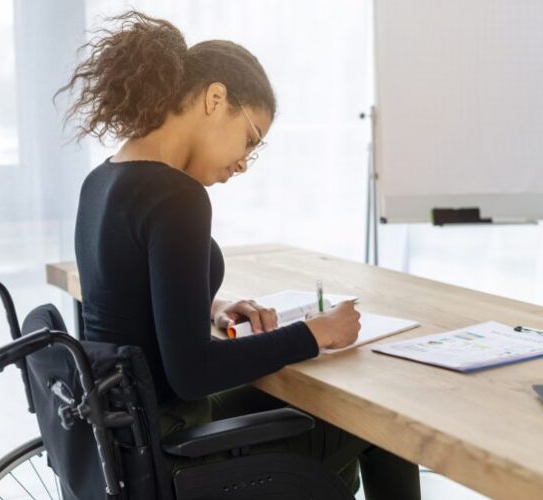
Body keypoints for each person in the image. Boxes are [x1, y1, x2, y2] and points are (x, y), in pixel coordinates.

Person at [57, 10, 421, 499]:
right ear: (215, 99)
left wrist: (207, 307)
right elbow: (194, 372)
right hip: (176, 449)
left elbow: (125, 298)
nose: (244, 163)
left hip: (128, 443)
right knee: (382, 424)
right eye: (250, 139)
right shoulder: (177, 197)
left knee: (333, 453)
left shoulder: (101, 181)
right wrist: (316, 332)